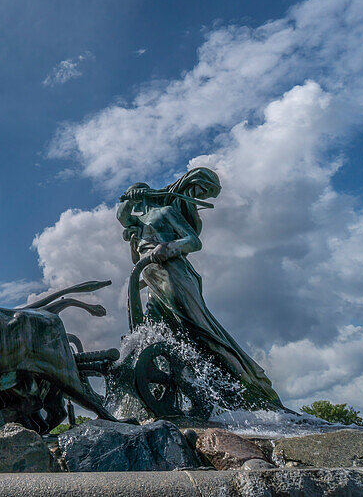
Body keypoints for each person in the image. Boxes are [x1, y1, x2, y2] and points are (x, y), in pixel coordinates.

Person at [117, 167, 282, 407]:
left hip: (174, 276)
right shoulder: (136, 226)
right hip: (153, 280)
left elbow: (194, 241)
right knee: (157, 331)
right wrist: (127, 200)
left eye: (134, 201)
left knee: (196, 328)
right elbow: (122, 217)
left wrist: (170, 247)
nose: (131, 209)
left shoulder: (165, 212)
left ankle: (248, 387)